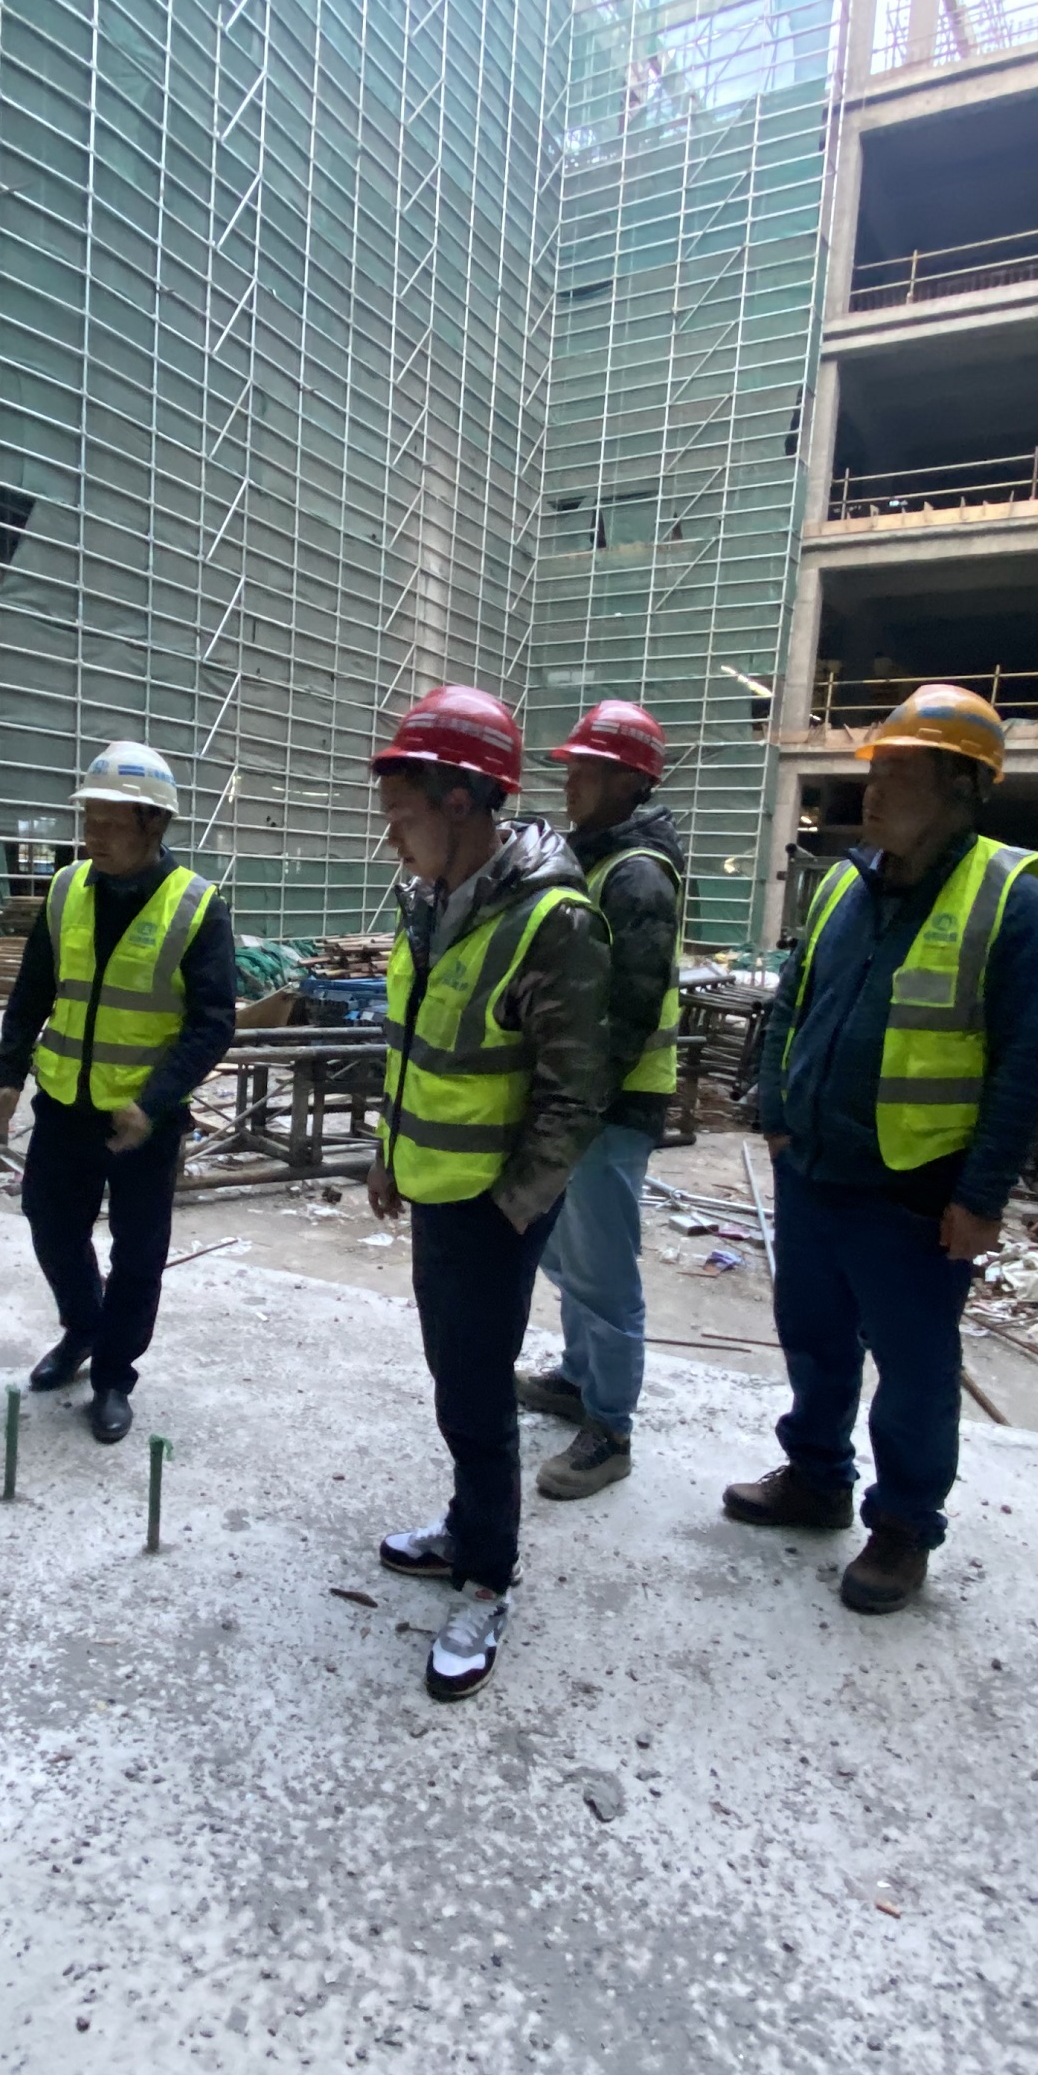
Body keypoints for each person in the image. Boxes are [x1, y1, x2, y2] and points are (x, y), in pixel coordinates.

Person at [729, 682, 1038, 1614]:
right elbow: (793, 1003)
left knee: (914, 1368)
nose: (872, 793)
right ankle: (816, 1478)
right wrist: (777, 1111)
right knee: (813, 1337)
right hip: (816, 1168)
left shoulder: (1014, 904)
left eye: (901, 775)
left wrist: (982, 1196)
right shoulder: (846, 883)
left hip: (916, 1190)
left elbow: (1032, 1064)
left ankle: (903, 1527)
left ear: (962, 788)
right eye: (874, 771)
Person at [368, 686, 612, 1702]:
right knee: (455, 1379)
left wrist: (513, 1209)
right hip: (437, 1188)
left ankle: (488, 1578)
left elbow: (577, 1092)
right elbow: (414, 1046)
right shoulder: (433, 905)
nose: (392, 835)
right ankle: (469, 1528)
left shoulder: (553, 923)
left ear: (462, 800)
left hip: (494, 1207)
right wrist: (388, 1153)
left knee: (476, 1391)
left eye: (403, 812)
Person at [0, 743, 236, 1445]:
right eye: (87, 819)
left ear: (152, 823)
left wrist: (153, 1103)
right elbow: (32, 989)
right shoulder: (66, 889)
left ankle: (113, 1376)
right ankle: (82, 1328)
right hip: (64, 1104)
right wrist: (8, 1073)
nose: (91, 834)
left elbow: (213, 1023)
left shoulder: (196, 906)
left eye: (107, 821)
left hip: (141, 1123)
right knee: (49, 1223)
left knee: (138, 1253)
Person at [516, 699, 686, 1500]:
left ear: (629, 782)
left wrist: (580, 1102)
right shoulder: (594, 860)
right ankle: (580, 1378)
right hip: (578, 1100)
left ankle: (610, 1429)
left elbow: (631, 1006)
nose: (570, 782)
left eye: (586, 769)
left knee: (603, 1267)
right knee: (566, 1252)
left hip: (611, 1106)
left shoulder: (636, 874)